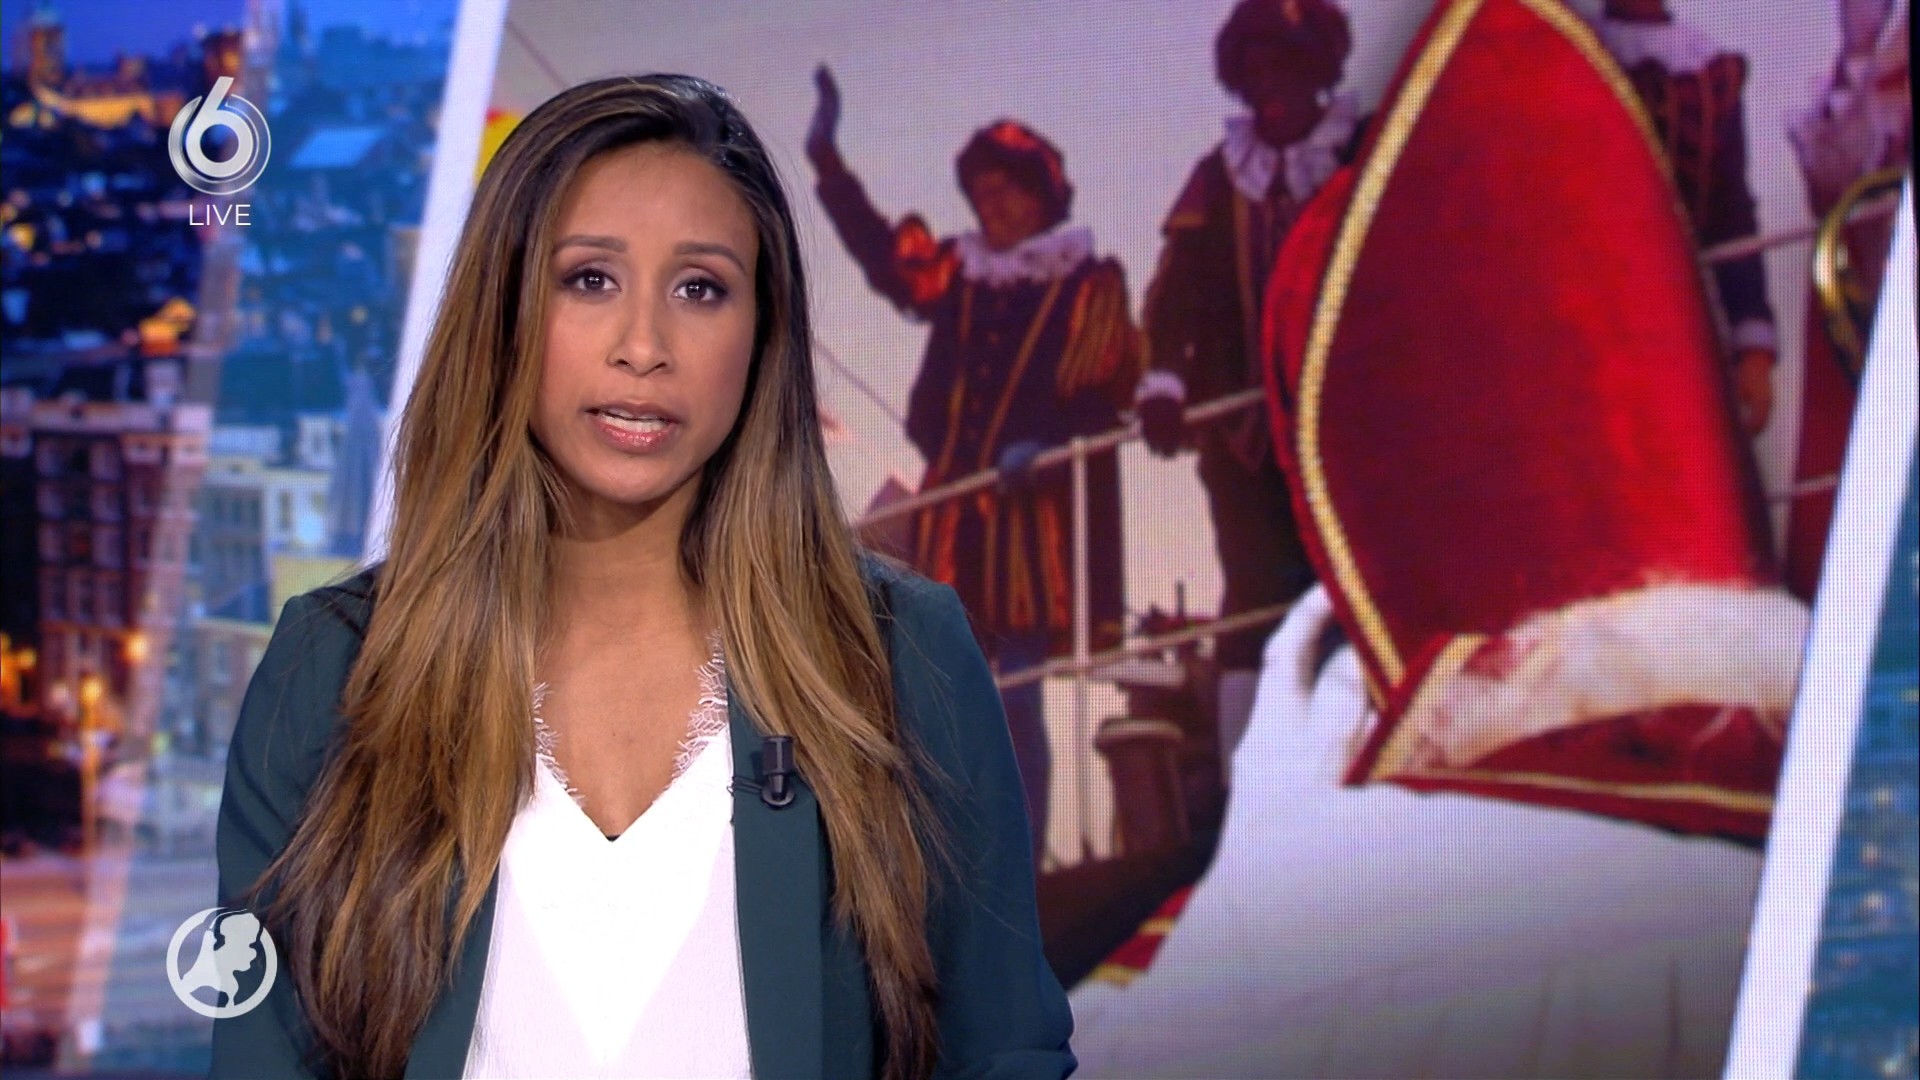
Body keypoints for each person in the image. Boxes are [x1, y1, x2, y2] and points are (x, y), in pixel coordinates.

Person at [208, 74, 1072, 1080]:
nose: (644, 348)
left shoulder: (900, 655)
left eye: (700, 288)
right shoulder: (333, 670)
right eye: (590, 280)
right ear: (503, 311)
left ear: (763, 334)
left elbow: (1004, 1051)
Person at [805, 66, 1143, 862]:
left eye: (1006, 194)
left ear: (1041, 198)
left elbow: (1104, 394)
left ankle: (1021, 861)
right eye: (981, 196)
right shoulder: (960, 271)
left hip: (1032, 523)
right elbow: (885, 259)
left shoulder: (1085, 283)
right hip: (955, 512)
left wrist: (1047, 443)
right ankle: (947, 863)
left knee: (1016, 694)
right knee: (942, 699)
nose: (991, 208)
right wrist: (828, 164)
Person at [1132, 0, 1360, 784]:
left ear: (1318, 69)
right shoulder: (1220, 173)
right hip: (1245, 432)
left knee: (1352, 583)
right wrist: (1165, 379)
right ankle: (1243, 786)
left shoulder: (1363, 149)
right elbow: (1176, 293)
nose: (1271, 84)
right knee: (1255, 592)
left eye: (1286, 66)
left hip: (1354, 424)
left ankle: (1355, 768)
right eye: (1256, 69)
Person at [1593, 0, 1779, 437]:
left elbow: (1730, 215)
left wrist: (1753, 352)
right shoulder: (1565, 49)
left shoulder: (1709, 71)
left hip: (1683, 326)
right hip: (1589, 316)